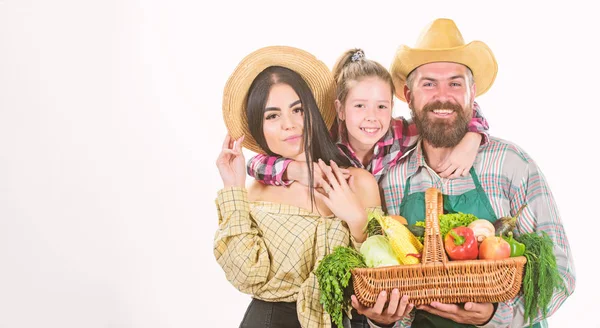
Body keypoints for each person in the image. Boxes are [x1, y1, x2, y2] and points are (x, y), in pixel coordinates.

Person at [380, 18, 576, 327]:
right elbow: (397, 284)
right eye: (429, 83)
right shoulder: (393, 179)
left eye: (455, 83)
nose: (442, 96)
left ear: (473, 93)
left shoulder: (511, 165)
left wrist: (496, 315)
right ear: (408, 94)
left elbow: (560, 274)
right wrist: (385, 320)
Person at [214, 46, 412, 328]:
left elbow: (380, 272)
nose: (289, 125)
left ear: (313, 113)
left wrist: (356, 220)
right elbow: (245, 275)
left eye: (298, 110)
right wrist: (231, 187)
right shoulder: (255, 192)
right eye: (272, 116)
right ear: (259, 127)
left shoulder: (358, 182)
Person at [245, 48, 490, 192]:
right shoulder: (323, 136)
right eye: (360, 106)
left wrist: (472, 138)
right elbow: (256, 164)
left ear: (393, 107)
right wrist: (296, 170)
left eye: (381, 106)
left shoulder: (399, 133)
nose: (372, 118)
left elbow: (448, 110)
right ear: (340, 109)